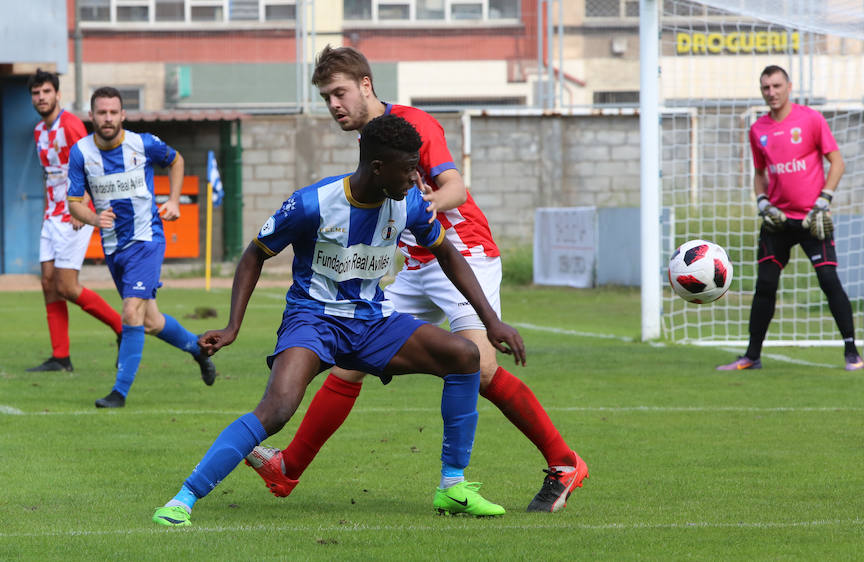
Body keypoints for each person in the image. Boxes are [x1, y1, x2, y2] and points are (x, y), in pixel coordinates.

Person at [243, 45, 588, 514]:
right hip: (413, 263)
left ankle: (564, 462)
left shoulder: (416, 125)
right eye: (326, 97)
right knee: (351, 359)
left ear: (367, 84)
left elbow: (455, 187)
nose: (334, 105)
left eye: (340, 92)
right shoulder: (375, 139)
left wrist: (430, 206)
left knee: (479, 368)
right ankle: (289, 468)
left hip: (460, 252)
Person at [151, 114, 526, 527]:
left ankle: (453, 486)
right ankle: (183, 499)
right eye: (408, 169)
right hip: (313, 319)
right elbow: (255, 253)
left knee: (465, 356)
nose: (417, 177)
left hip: (373, 322)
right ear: (379, 168)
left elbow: (448, 253)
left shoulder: (410, 203)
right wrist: (232, 326)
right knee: (277, 409)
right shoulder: (312, 203)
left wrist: (491, 321)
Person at [67, 87, 217, 408]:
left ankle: (119, 393)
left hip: (147, 239)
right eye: (101, 112)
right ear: (91, 116)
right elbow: (74, 204)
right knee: (150, 320)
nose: (107, 118)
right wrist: (94, 218)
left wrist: (174, 200)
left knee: (130, 311)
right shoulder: (80, 153)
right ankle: (198, 349)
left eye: (113, 112)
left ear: (123, 115)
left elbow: (176, 160)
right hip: (113, 247)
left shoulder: (143, 143)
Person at [718, 65, 863, 372]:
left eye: (776, 86)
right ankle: (751, 356)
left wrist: (824, 200)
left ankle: (852, 351)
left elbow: (837, 162)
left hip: (812, 219)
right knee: (765, 285)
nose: (771, 92)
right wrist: (762, 203)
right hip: (777, 223)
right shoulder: (758, 129)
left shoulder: (810, 119)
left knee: (828, 279)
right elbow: (760, 174)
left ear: (789, 86)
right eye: (766, 88)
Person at [26, 69, 122, 372]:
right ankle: (61, 358)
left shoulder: (70, 125)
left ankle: (123, 328)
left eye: (46, 92)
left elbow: (91, 165)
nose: (41, 97)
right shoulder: (39, 131)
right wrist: (46, 210)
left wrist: (85, 208)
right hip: (51, 215)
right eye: (36, 93)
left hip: (74, 214)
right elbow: (49, 174)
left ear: (57, 94)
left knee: (67, 286)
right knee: (47, 283)